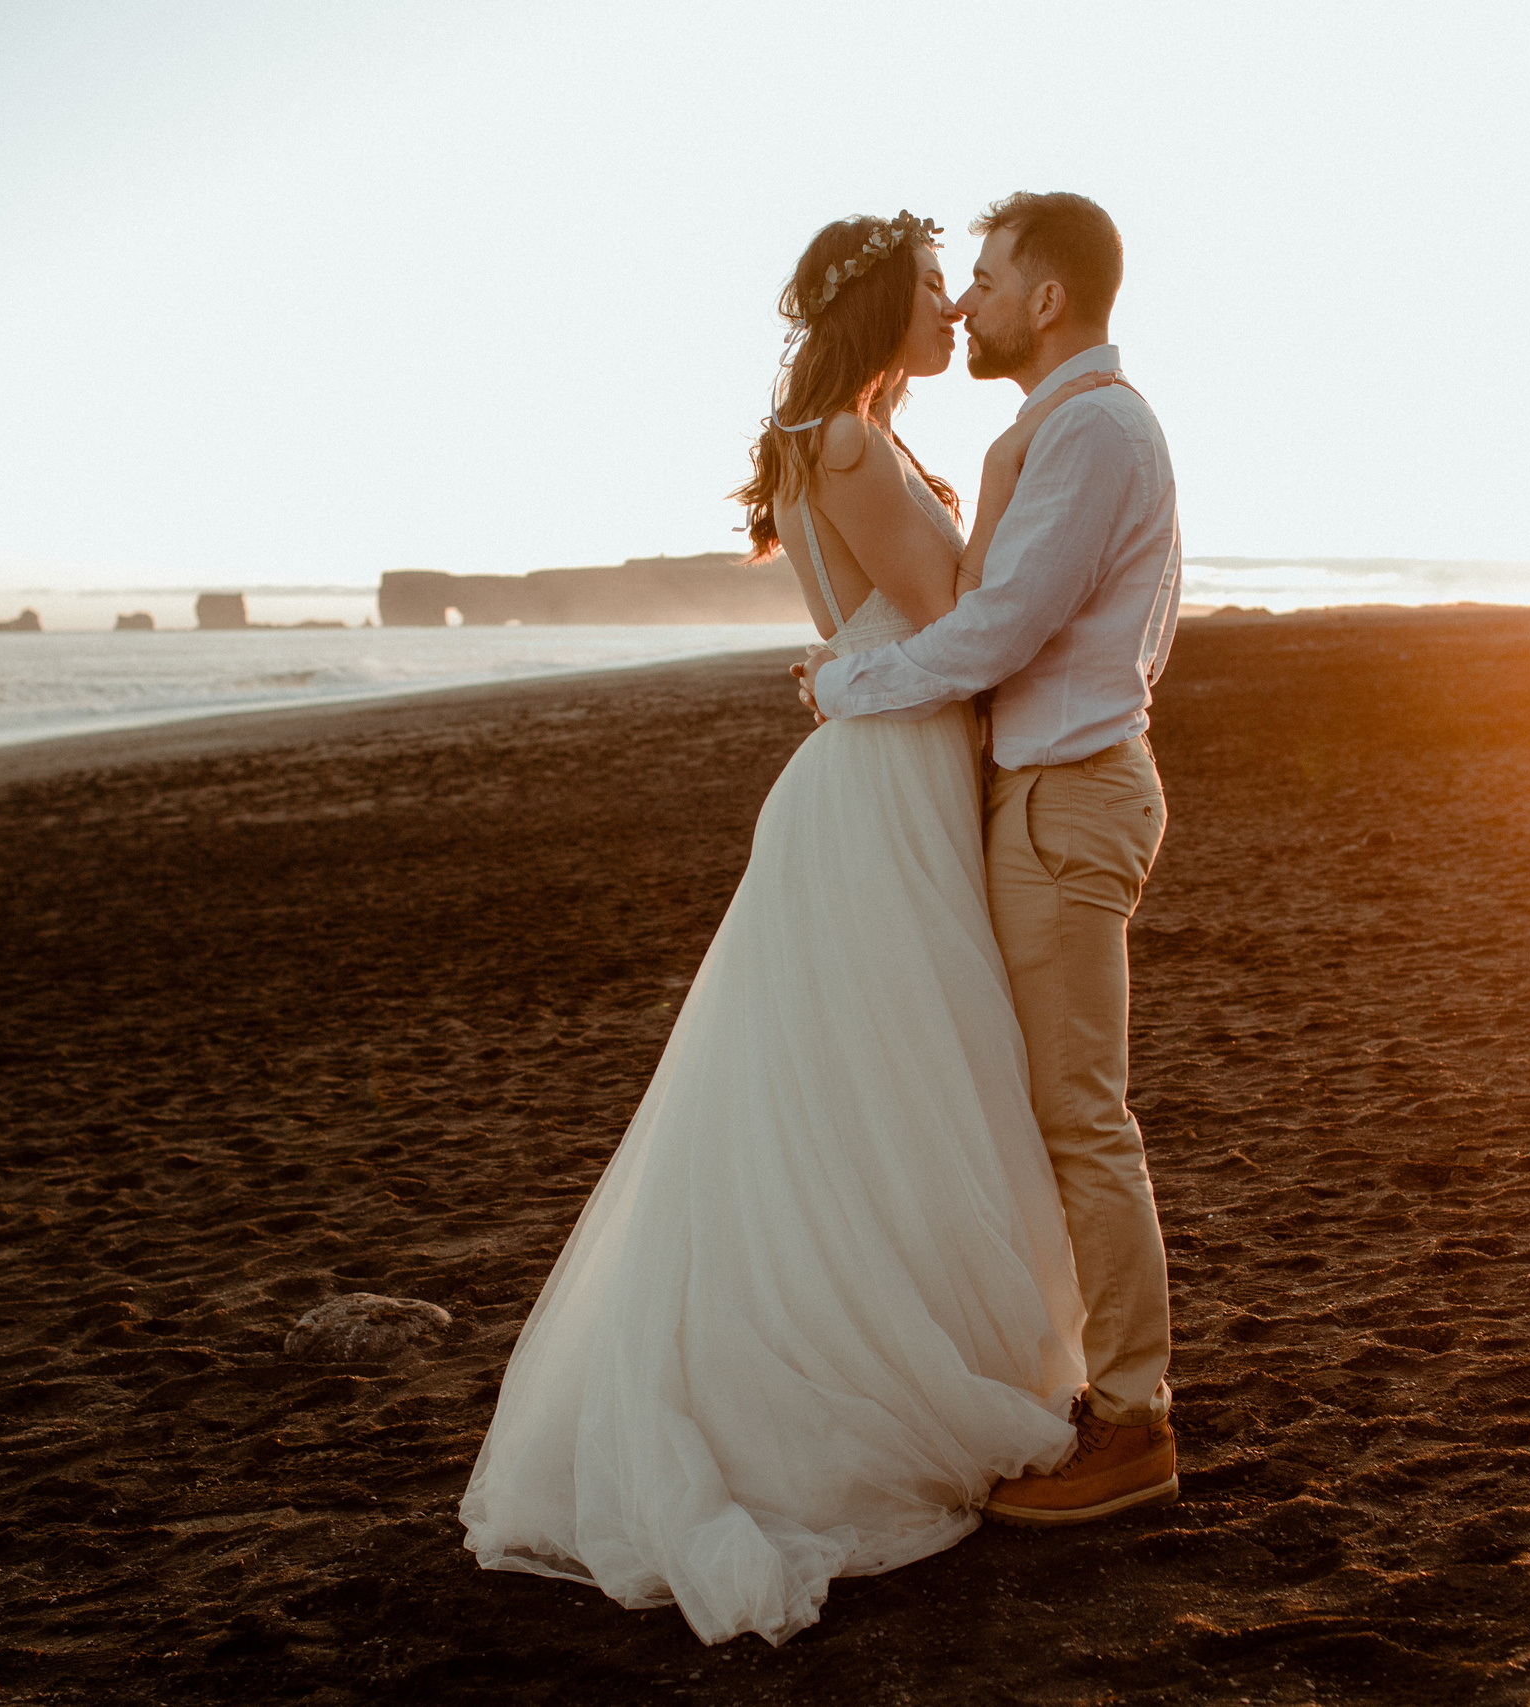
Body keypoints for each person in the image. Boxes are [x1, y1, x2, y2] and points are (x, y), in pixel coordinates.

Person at [456, 209, 1125, 1648]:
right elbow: (959, 606)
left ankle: (908, 1340)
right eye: (941, 289)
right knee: (890, 1075)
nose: (957, 308)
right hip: (880, 784)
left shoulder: (844, 436)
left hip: (892, 764)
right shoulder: (848, 445)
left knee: (880, 1084)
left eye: (969, 285)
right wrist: (1006, 485)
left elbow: (915, 616)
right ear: (886, 303)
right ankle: (855, 1388)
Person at [798, 191, 1184, 1529]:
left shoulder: (1089, 431)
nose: (964, 301)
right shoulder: (1058, 432)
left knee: (1079, 1111)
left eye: (987, 276)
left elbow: (1002, 625)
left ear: (1049, 301)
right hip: (1045, 793)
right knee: (1041, 1110)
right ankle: (1088, 1386)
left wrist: (850, 690)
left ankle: (1132, 1421)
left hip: (1070, 798)